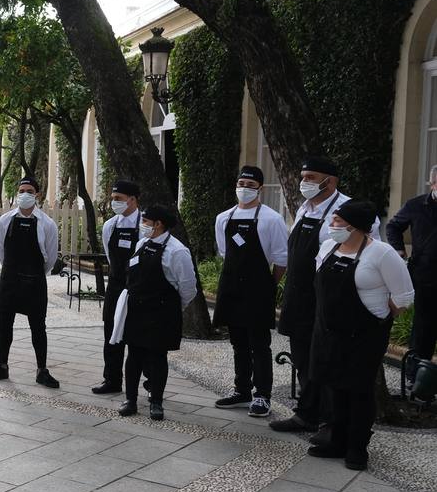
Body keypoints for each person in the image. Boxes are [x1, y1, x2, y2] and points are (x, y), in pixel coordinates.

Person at [270, 156, 381, 437]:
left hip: (330, 301)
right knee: (303, 359)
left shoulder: (351, 211)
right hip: (299, 296)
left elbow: (371, 254)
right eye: (303, 176)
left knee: (328, 361)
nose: (304, 182)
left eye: (310, 177)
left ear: (329, 181)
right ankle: (307, 413)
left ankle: (330, 422)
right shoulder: (305, 208)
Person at [309, 201, 412, 469]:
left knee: (359, 391)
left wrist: (378, 316)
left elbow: (404, 297)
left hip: (364, 334)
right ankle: (336, 441)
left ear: (356, 226)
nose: (332, 225)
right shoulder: (328, 247)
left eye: (338, 221)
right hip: (329, 332)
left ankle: (357, 448)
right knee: (335, 387)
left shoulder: (381, 253)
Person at [211, 166, 289, 418]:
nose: (244, 188)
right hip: (232, 286)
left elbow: (281, 259)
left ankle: (262, 395)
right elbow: (225, 253)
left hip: (258, 288)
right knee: (238, 343)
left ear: (260, 189)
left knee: (260, 345)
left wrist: (268, 285)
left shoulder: (271, 219)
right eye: (241, 182)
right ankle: (241, 389)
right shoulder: (223, 218)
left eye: (250, 184)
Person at [112, 204, 198, 420]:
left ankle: (156, 402)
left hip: (161, 311)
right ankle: (130, 400)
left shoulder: (177, 251)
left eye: (146, 221)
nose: (142, 225)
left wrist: (174, 308)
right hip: (137, 308)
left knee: (158, 357)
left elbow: (188, 288)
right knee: (133, 356)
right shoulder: (142, 243)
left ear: (158, 224)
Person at [0, 178, 61, 388]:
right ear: (17, 194)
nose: (25, 194)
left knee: (38, 327)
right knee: (4, 325)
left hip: (35, 280)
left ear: (37, 195)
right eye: (21, 190)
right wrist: (12, 269)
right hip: (9, 279)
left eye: (29, 191)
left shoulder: (47, 224)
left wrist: (35, 273)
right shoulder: (4, 221)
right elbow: (0, 249)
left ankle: (42, 370)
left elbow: (51, 257)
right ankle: (2, 365)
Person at [93, 180, 141, 395]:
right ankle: (111, 379)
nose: (114, 203)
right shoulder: (110, 225)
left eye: (118, 199)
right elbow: (110, 255)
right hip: (115, 285)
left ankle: (148, 382)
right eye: (113, 199)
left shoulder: (144, 225)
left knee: (139, 336)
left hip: (138, 287)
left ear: (132, 199)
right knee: (110, 334)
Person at [385, 165, 437, 365]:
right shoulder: (415, 205)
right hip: (425, 274)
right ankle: (416, 372)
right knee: (424, 325)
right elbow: (393, 226)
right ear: (432, 184)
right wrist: (399, 250)